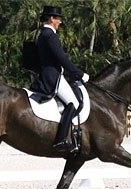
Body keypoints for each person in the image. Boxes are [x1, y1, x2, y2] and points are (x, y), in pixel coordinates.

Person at [35, 5, 89, 153]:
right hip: (52, 76)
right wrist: (80, 74)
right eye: (58, 19)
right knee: (74, 103)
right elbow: (61, 58)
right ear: (52, 18)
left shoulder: (44, 34)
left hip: (51, 74)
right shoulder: (49, 35)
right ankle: (61, 139)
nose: (60, 22)